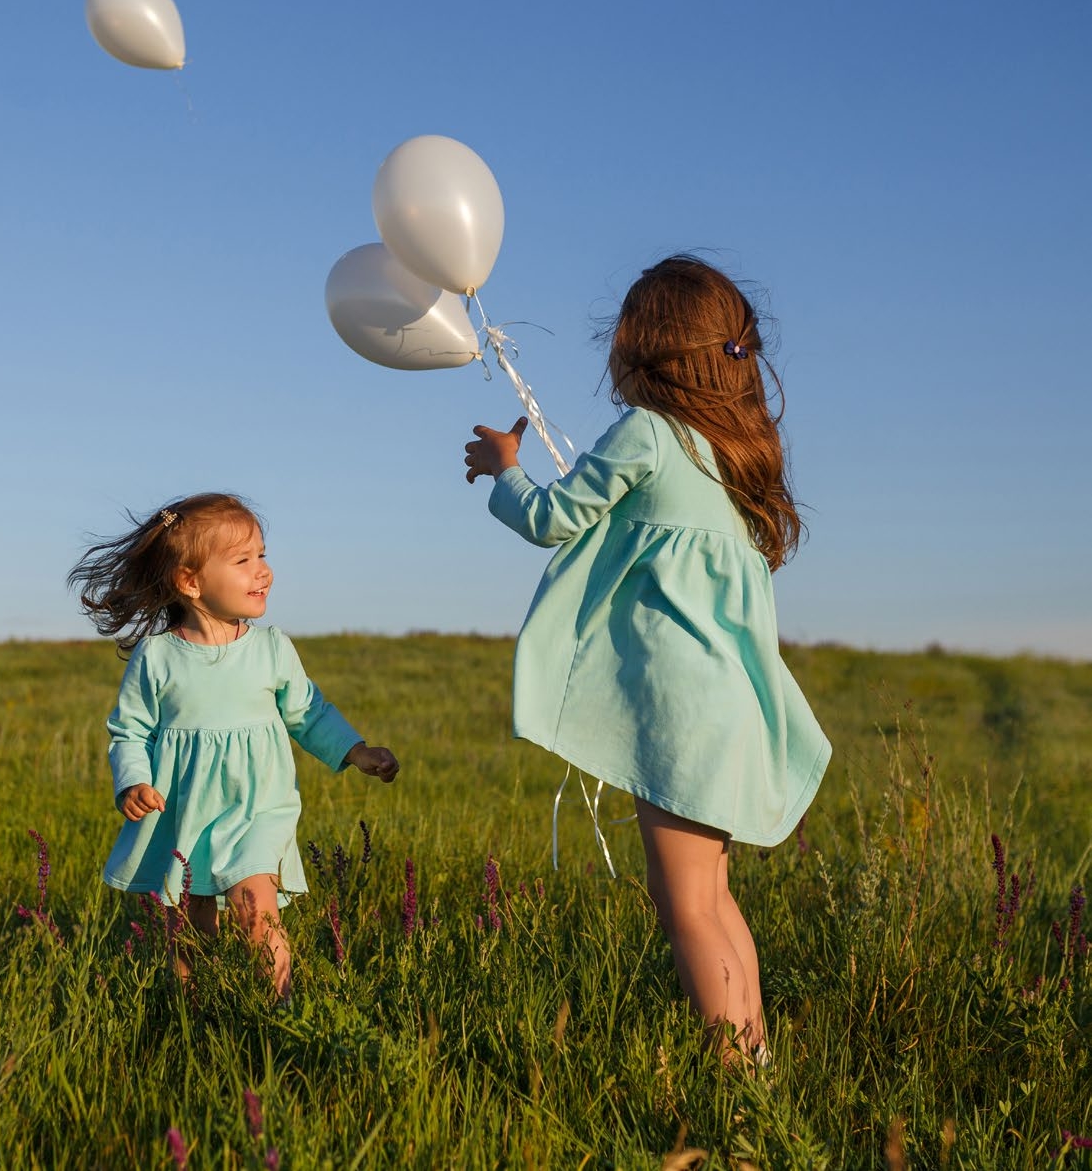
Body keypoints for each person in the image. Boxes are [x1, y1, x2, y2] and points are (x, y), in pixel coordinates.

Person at [462, 255, 831, 1064]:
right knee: (712, 898)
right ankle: (754, 1068)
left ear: (641, 350)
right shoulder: (732, 461)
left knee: (685, 907)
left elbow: (555, 519)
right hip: (729, 708)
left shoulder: (648, 434)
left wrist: (503, 470)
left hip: (682, 710)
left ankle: (733, 1086)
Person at [68, 492, 400, 998]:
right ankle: (192, 1014)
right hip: (185, 809)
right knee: (188, 926)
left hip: (257, 808)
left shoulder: (271, 649)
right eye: (243, 561)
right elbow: (130, 730)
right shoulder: (157, 657)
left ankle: (283, 1009)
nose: (262, 571)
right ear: (190, 581)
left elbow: (308, 712)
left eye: (263, 555)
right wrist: (132, 780)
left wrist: (356, 751)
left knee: (253, 907)